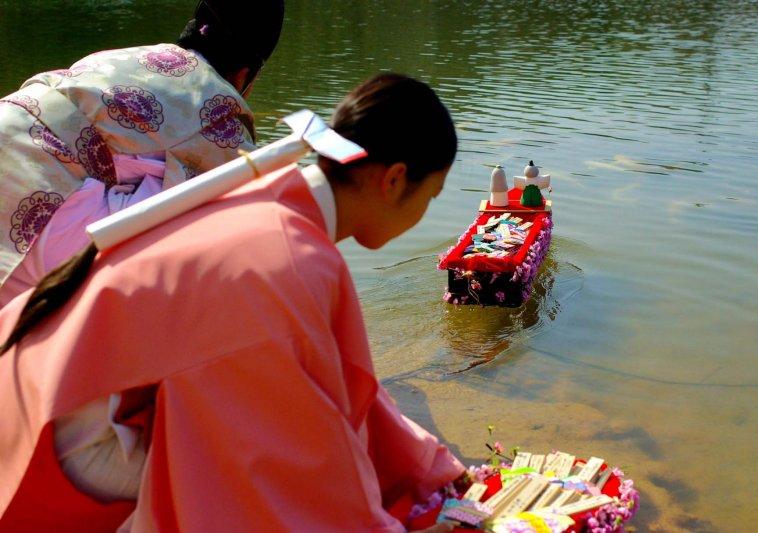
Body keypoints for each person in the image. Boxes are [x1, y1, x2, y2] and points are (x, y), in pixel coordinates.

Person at [0, 73, 464, 531]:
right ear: (396, 180)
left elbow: (333, 378)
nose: (426, 208)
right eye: (432, 194)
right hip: (80, 435)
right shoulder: (291, 254)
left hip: (48, 382)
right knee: (259, 484)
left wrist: (422, 466)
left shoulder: (272, 196)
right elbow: (293, 460)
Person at [0, 0, 285, 307]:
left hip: (13, 136)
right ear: (244, 76)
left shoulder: (123, 58)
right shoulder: (222, 108)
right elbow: (253, 199)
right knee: (214, 231)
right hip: (38, 196)